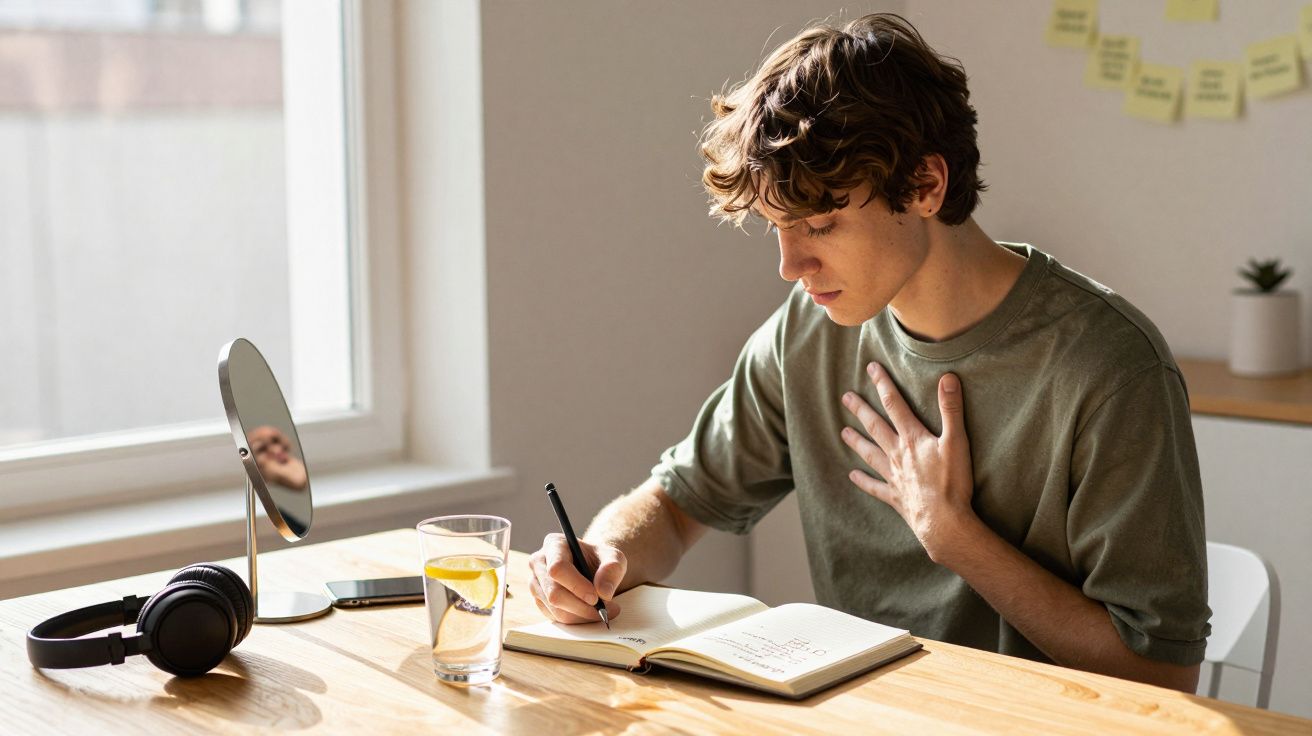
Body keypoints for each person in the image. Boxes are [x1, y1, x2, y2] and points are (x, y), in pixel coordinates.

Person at [528, 13, 1209, 692]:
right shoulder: (807, 333)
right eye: (776, 227)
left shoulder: (1109, 369)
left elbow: (1162, 673)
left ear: (925, 186)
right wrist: (602, 553)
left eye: (821, 225)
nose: (790, 266)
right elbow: (676, 506)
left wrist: (954, 536)